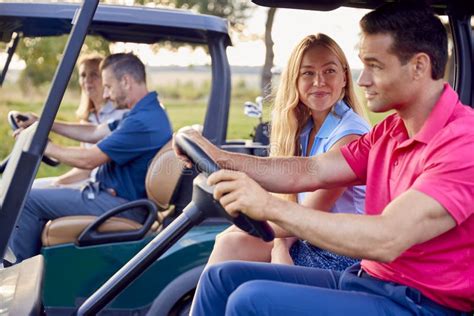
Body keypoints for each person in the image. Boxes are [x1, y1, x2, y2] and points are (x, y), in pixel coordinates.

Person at [176, 3, 474, 315]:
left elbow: (388, 238)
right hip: (369, 281)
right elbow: (312, 170)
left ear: (418, 66)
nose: (362, 81)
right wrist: (219, 157)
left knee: (250, 299)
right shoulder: (391, 130)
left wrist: (267, 206)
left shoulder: (462, 144)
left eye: (375, 66)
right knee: (221, 278)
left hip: (419, 304)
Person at [207, 33, 370, 271]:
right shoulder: (306, 130)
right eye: (308, 73)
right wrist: (279, 244)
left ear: (345, 77)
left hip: (343, 255)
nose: (319, 81)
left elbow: (308, 214)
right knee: (228, 241)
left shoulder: (350, 136)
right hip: (311, 237)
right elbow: (293, 207)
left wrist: (279, 246)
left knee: (230, 244)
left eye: (329, 71)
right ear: (295, 80)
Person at [9, 53, 173, 263]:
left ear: (126, 81)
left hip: (122, 206)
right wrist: (42, 123)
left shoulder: (142, 121)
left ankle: (20, 275)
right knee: (34, 194)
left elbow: (89, 160)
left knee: (27, 199)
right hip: (110, 196)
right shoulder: (143, 112)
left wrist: (41, 144)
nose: (106, 94)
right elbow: (95, 132)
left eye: (108, 86)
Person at [33, 54, 129, 189]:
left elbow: (89, 162)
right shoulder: (88, 117)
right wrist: (58, 182)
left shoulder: (120, 116)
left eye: (94, 75)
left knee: (30, 196)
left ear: (106, 79)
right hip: (87, 179)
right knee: (31, 187)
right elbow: (83, 170)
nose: (87, 81)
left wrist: (57, 184)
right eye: (83, 75)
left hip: (103, 186)